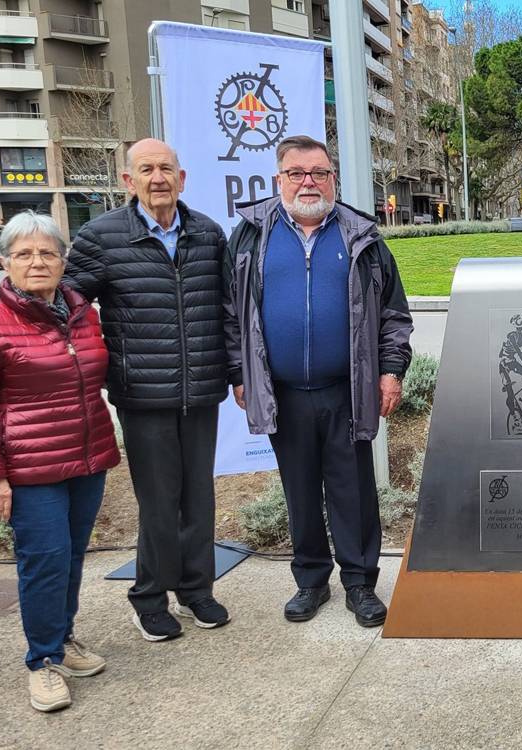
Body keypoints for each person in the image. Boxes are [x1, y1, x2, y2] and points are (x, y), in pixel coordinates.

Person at [224, 135, 413, 628]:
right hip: (283, 391)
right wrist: (240, 373)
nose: (309, 182)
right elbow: (230, 314)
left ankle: (360, 584)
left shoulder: (361, 238)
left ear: (333, 178)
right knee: (300, 490)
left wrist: (390, 372)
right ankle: (310, 580)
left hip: (347, 389)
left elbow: (394, 315)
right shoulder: (250, 236)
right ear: (278, 178)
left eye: (319, 173)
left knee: (353, 489)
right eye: (297, 173)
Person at [65, 138, 231, 641]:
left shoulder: (208, 233)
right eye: (146, 169)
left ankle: (196, 590)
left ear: (182, 178)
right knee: (159, 501)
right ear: (127, 180)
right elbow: (69, 308)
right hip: (142, 394)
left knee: (199, 496)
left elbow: (228, 309)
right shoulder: (100, 237)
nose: (158, 178)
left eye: (166, 169)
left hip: (201, 388)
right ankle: (150, 596)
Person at [0, 211, 120, 712]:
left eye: (48, 253)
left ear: (63, 260)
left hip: (84, 457)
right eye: (25, 254)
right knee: (45, 561)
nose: (38, 262)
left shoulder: (82, 313)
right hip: (28, 471)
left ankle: (64, 638)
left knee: (73, 557)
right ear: (5, 262)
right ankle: (42, 662)